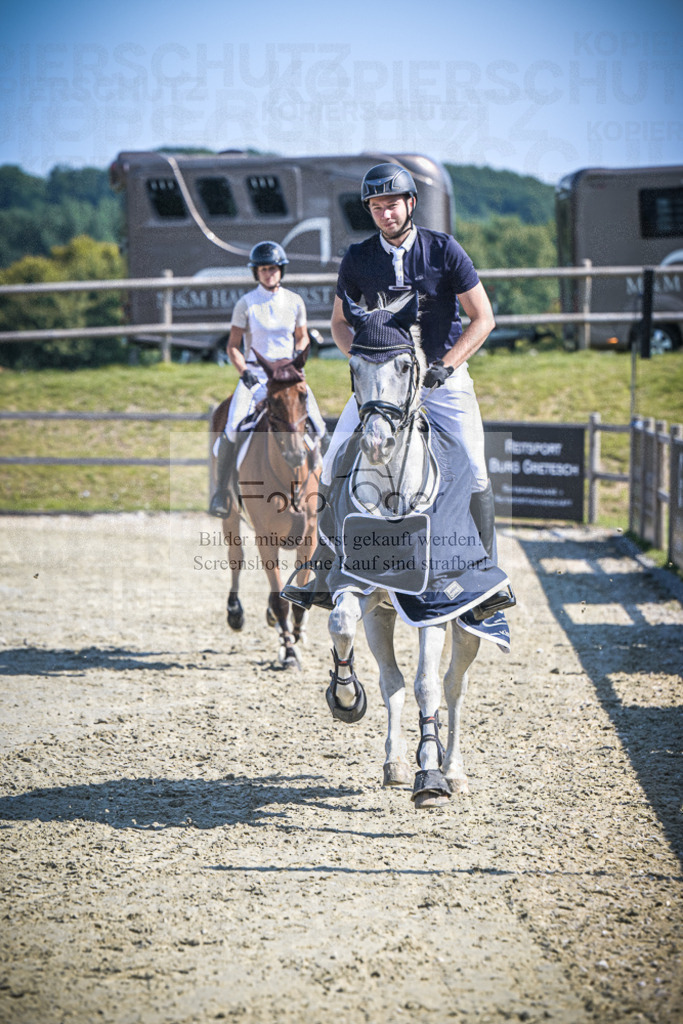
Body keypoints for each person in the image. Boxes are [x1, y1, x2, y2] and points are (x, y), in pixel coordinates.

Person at [292, 162, 514, 617]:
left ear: (411, 203)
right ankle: (325, 570)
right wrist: (364, 363)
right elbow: (338, 323)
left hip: (442, 378)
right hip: (384, 384)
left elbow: (484, 318)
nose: (385, 214)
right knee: (332, 462)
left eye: (391, 205)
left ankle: (485, 579)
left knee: (475, 468)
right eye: (376, 207)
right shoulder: (358, 258)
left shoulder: (444, 250)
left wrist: (447, 366)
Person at [209, 240, 327, 517]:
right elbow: (233, 347)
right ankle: (221, 492)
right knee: (233, 427)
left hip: (288, 377)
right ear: (256, 272)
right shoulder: (246, 304)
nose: (268, 273)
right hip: (257, 376)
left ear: (280, 270)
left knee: (319, 426)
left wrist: (298, 359)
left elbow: (302, 336)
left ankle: (324, 484)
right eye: (263, 269)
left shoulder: (294, 301)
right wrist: (245, 374)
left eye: (273, 268)